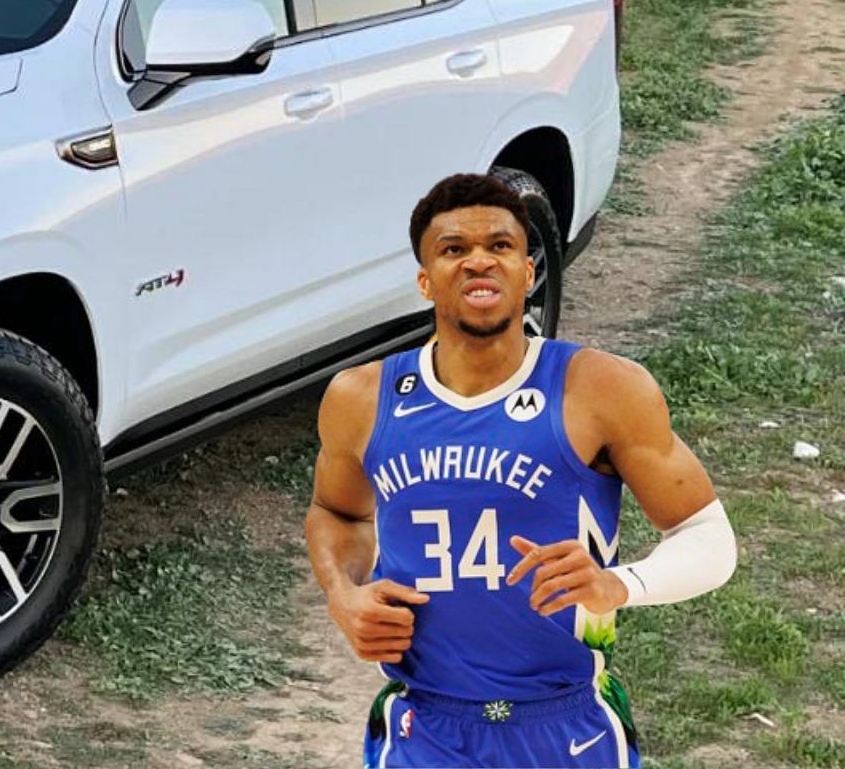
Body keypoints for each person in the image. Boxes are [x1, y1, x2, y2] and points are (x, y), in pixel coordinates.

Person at [305, 173, 737, 768]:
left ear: (528, 273)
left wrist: (622, 584)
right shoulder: (361, 397)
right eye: (454, 249)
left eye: (501, 246)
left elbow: (707, 536)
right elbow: (337, 512)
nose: (479, 261)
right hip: (424, 726)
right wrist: (343, 594)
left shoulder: (602, 388)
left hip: (567, 724)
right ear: (425, 281)